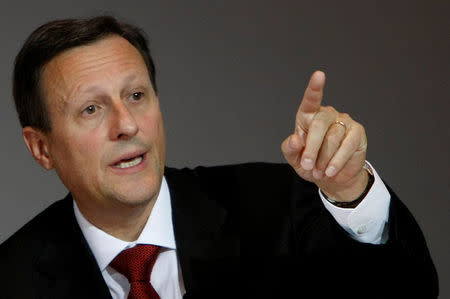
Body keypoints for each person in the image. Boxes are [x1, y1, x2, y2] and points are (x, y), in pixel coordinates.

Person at [0, 16, 438, 299]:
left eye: (136, 96)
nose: (127, 124)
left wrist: (349, 190)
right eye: (91, 109)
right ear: (41, 148)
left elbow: (409, 290)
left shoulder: (278, 205)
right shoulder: (12, 278)